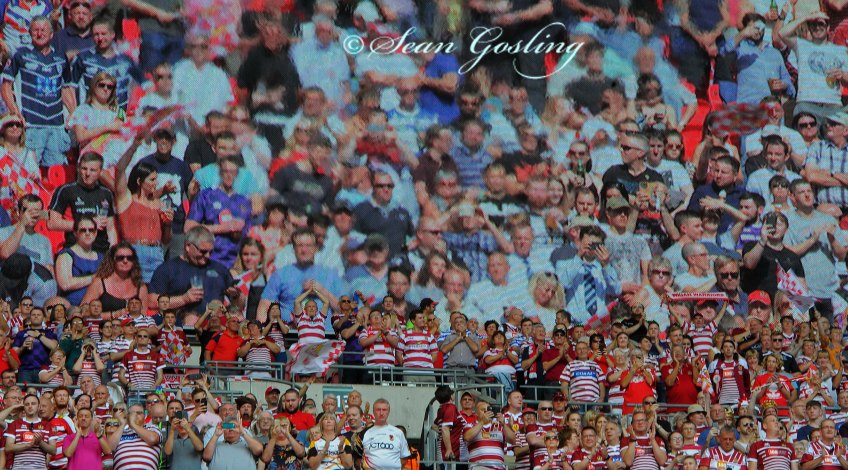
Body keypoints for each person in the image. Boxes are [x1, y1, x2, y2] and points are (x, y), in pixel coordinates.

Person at [1, 16, 74, 169]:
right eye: (35, 30)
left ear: (51, 34)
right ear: (29, 33)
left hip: (56, 127)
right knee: (27, 172)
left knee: (56, 174)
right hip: (31, 126)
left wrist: (74, 113)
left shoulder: (61, 58)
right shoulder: (20, 55)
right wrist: (15, 111)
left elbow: (66, 88)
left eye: (43, 30)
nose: (39, 33)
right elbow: (6, 86)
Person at [148, 226, 241, 325]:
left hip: (216, 322)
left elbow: (240, 304)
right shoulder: (168, 269)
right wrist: (184, 299)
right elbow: (152, 301)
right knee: (192, 319)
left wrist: (236, 296)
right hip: (183, 321)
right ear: (188, 246)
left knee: (238, 317)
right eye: (203, 251)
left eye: (211, 252)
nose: (208, 256)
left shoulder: (219, 269)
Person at [48, 151, 117, 253]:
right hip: (75, 249)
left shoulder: (106, 193)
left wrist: (113, 254)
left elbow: (110, 229)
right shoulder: (66, 190)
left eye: (92, 170)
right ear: (78, 168)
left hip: (101, 250)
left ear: (100, 172)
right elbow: (52, 224)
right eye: (84, 169)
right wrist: (87, 224)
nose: (87, 174)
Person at [80, 242, 148, 317]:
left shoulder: (140, 286)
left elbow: (143, 316)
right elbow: (82, 312)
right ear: (112, 260)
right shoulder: (100, 283)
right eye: (120, 258)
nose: (125, 261)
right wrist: (112, 315)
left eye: (129, 258)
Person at [55, 216, 103, 306]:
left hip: (97, 306)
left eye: (91, 230)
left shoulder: (101, 257)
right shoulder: (66, 255)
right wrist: (93, 278)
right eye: (83, 230)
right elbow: (65, 284)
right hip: (73, 307)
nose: (87, 233)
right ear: (75, 233)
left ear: (96, 233)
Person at [4, 393, 55, 469]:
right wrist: (28, 445)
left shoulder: (48, 425)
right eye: (27, 404)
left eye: (33, 404)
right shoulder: (15, 424)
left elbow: (53, 451)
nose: (30, 406)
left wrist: (40, 442)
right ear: (24, 407)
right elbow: (8, 448)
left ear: (39, 406)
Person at [359, 398, 411, 469]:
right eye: (378, 410)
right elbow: (357, 458)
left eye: (384, 410)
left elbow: (404, 458)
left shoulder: (398, 433)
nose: (381, 413)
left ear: (388, 412)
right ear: (373, 412)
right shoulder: (365, 433)